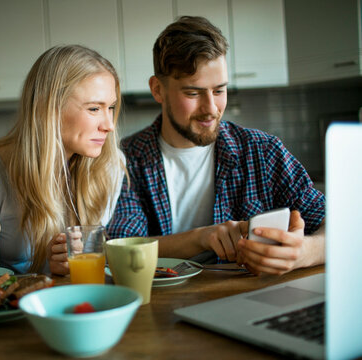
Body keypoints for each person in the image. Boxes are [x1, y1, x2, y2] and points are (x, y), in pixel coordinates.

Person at [107, 16, 326, 275]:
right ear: (158, 90)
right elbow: (120, 250)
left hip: (245, 299)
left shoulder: (263, 151)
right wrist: (201, 238)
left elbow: (342, 224)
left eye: (219, 90)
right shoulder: (124, 160)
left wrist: (303, 253)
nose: (211, 109)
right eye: (193, 93)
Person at [0, 45, 125, 275]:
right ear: (46, 107)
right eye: (93, 108)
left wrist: (66, 266)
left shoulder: (110, 166)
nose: (109, 125)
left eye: (110, 107)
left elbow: (88, 271)